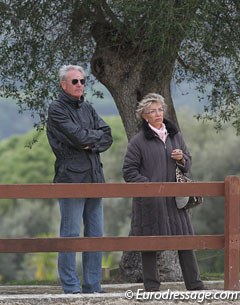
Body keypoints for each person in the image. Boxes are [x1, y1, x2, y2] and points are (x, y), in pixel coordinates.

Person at [122, 93, 206, 292]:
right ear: (144, 116)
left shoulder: (175, 135)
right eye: (152, 111)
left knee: (185, 241)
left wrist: (181, 158)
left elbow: (188, 162)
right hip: (150, 202)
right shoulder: (137, 142)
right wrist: (151, 187)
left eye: (160, 109)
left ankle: (195, 286)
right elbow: (129, 172)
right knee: (150, 243)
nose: (158, 114)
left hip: (176, 201)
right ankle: (151, 288)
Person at [47, 64, 113, 294]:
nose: (80, 85)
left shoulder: (89, 109)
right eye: (75, 81)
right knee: (70, 235)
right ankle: (71, 287)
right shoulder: (56, 109)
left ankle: (93, 286)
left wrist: (89, 140)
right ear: (63, 84)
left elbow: (108, 135)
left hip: (95, 178)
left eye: (83, 81)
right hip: (70, 180)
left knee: (95, 235)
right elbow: (76, 138)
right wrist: (89, 139)